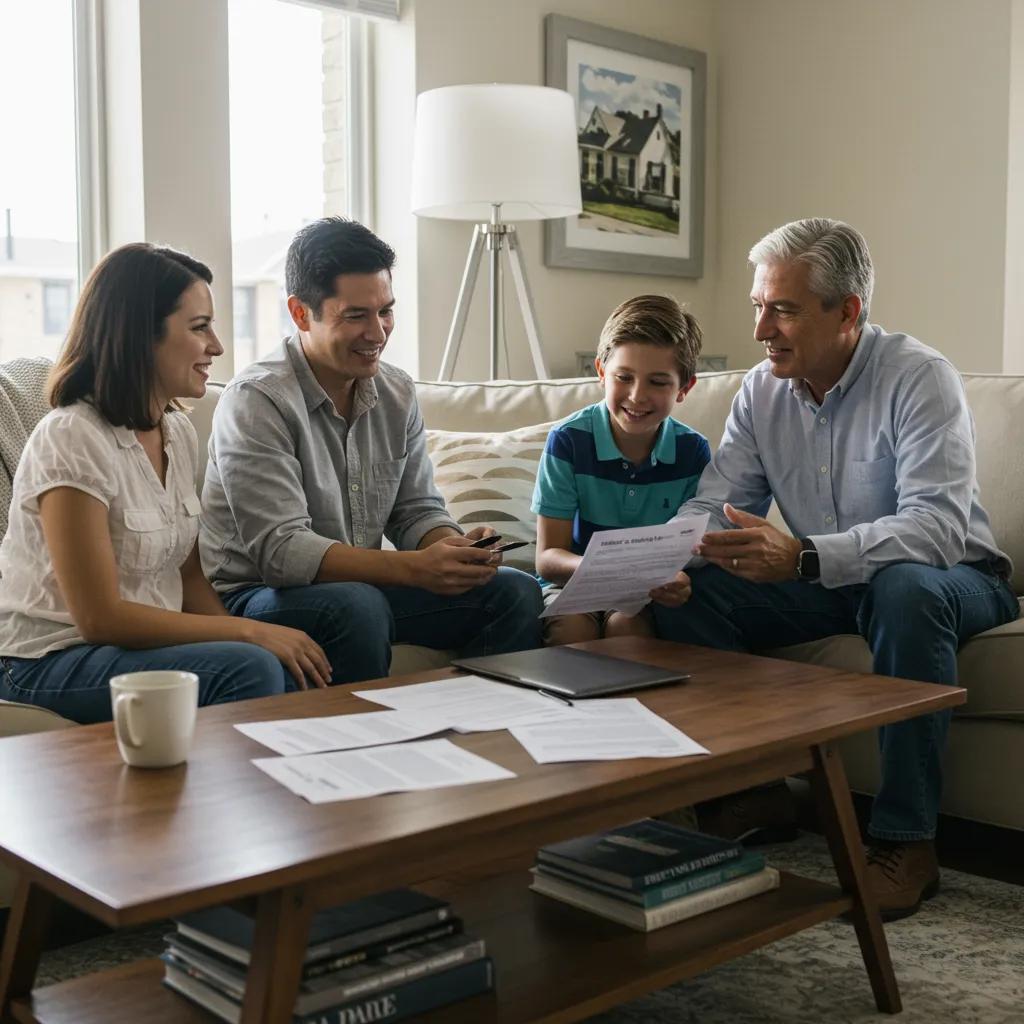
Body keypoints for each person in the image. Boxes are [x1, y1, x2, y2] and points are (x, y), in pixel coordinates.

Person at [653, 218, 1019, 918]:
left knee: (902, 588)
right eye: (759, 306)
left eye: (783, 309)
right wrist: (659, 561)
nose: (762, 330)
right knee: (692, 592)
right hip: (832, 579)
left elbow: (936, 529)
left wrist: (806, 556)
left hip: (956, 578)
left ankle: (906, 842)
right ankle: (752, 792)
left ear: (847, 312)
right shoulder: (762, 393)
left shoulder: (919, 378)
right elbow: (714, 506)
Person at [200, 218, 543, 684]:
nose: (378, 332)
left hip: (361, 592)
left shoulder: (396, 392)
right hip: (256, 596)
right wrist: (416, 569)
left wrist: (456, 550)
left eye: (386, 311)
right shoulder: (256, 401)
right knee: (356, 604)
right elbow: (281, 553)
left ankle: (481, 735)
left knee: (515, 592)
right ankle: (364, 749)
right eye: (356, 315)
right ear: (301, 314)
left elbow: (416, 511)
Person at [0, 243, 331, 723]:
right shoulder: (72, 436)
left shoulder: (176, 431)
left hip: (132, 649)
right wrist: (250, 634)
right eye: (199, 328)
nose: (216, 346)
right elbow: (100, 619)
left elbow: (189, 579)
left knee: (278, 660)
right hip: (46, 660)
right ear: (141, 336)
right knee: (249, 666)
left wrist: (253, 635)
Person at [532, 295, 710, 644]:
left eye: (658, 382)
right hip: (571, 581)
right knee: (573, 628)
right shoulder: (568, 441)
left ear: (685, 388)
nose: (637, 396)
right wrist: (608, 571)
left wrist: (673, 578)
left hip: (642, 593)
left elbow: (689, 549)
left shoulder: (693, 452)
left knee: (627, 628)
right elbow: (548, 558)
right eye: (624, 377)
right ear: (601, 372)